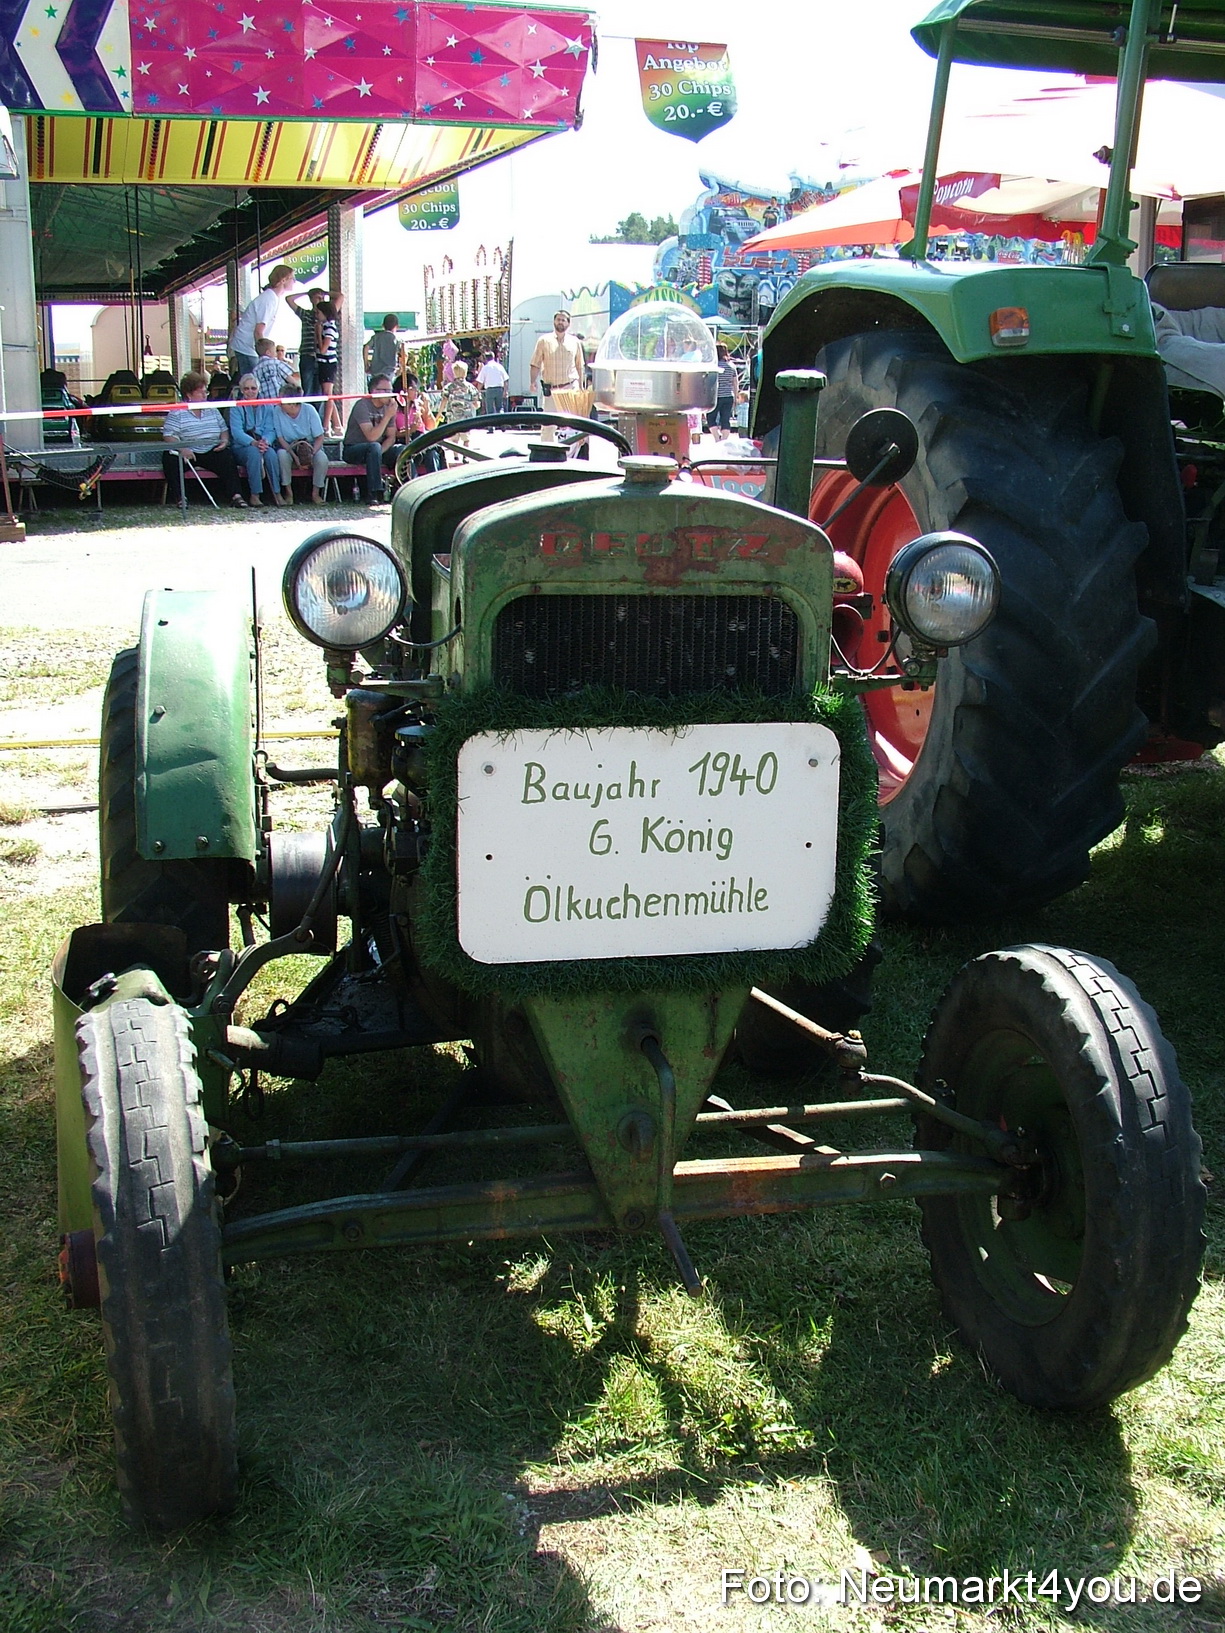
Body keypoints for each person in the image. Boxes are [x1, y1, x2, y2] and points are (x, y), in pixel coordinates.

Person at [161, 370, 242, 507]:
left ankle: (236, 495)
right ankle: (180, 498)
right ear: (189, 395)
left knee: (227, 457)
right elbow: (168, 435)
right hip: (188, 452)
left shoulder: (212, 410)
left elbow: (223, 429)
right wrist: (182, 449)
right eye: (201, 392)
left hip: (211, 449)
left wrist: (224, 441)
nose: (205, 395)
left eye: (206, 392)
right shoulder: (177, 412)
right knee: (170, 459)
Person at [230, 264, 295, 381]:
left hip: (246, 346)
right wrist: (263, 356)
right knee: (253, 384)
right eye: (292, 278)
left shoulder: (271, 298)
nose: (294, 281)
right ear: (283, 280)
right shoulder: (269, 300)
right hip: (247, 347)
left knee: (250, 382)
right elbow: (258, 331)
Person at [229, 373, 286, 506]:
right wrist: (253, 443)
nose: (250, 392)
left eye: (253, 388)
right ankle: (255, 495)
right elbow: (237, 432)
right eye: (246, 389)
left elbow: (271, 429)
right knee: (253, 454)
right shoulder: (236, 406)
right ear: (242, 390)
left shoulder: (267, 406)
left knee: (271, 454)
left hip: (263, 442)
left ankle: (277, 493)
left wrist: (265, 441)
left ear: (258, 389)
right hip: (242, 446)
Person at [342, 373, 399, 504]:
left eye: (390, 390)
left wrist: (380, 452)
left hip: (376, 449)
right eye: (384, 390)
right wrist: (387, 416)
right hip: (354, 449)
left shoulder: (389, 407)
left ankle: (404, 488)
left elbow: (391, 437)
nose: (389, 394)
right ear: (374, 391)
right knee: (374, 446)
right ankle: (374, 493)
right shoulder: (362, 405)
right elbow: (371, 437)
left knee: (401, 450)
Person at [271, 377, 328, 504]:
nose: (279, 403)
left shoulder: (309, 410)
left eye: (282, 401)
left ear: (292, 403)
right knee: (281, 455)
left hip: (310, 445)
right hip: (289, 446)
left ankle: (315, 493)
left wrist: (311, 454)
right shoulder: (277, 411)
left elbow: (319, 436)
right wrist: (295, 457)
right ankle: (289, 493)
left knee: (321, 459)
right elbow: (280, 438)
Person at [529, 310, 585, 401]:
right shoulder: (543, 341)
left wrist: (581, 387)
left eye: (563, 320)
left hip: (570, 388)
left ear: (568, 323)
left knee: (568, 416)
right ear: (554, 322)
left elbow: (580, 365)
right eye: (558, 319)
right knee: (551, 416)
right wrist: (532, 382)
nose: (560, 322)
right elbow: (535, 363)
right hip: (551, 391)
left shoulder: (575, 342)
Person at [286, 286, 326, 401]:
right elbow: (289, 299)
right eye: (317, 298)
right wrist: (306, 293)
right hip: (307, 355)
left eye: (322, 298)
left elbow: (340, 297)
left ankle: (316, 416)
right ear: (311, 299)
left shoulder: (326, 316)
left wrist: (325, 293)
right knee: (307, 390)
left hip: (320, 356)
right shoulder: (306, 314)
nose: (321, 300)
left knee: (319, 392)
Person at [315, 300, 342, 435]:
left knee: (328, 395)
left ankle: (326, 426)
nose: (317, 315)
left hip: (327, 363)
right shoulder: (326, 325)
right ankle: (336, 425)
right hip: (323, 363)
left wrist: (319, 334)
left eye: (319, 312)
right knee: (328, 394)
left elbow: (324, 349)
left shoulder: (329, 327)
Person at [365, 314, 402, 386]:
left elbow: (366, 347)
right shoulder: (397, 340)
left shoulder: (376, 337)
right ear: (397, 327)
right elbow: (404, 354)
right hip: (389, 372)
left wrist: (366, 364)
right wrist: (401, 368)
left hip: (375, 371)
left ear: (383, 325)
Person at [712, 344, 739, 440]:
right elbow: (735, 383)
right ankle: (724, 440)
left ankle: (716, 438)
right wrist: (736, 397)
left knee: (711, 418)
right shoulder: (731, 366)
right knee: (725, 419)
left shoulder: (714, 366)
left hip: (715, 396)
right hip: (728, 396)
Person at [253, 338, 293, 403]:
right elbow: (289, 377)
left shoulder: (255, 370)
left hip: (265, 403)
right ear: (268, 352)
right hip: (280, 399)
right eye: (275, 351)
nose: (276, 353)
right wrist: (298, 387)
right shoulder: (276, 363)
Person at [476, 350, 508, 415]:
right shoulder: (499, 366)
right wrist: (505, 391)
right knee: (500, 407)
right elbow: (505, 379)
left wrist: (478, 391)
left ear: (485, 358)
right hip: (499, 389)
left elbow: (480, 382)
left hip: (489, 390)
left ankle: (491, 424)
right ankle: (501, 421)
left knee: (490, 409)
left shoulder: (485, 368)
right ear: (493, 357)